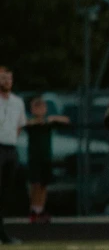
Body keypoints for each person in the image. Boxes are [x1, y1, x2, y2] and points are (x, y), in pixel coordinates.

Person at [24, 96, 70, 224]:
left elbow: (66, 120)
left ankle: (40, 209)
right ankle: (33, 209)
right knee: (35, 183)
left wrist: (52, 118)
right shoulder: (31, 124)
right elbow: (23, 124)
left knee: (44, 184)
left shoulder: (48, 123)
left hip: (46, 157)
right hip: (34, 157)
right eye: (37, 107)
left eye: (42, 107)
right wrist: (36, 121)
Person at [0, 67, 26, 245]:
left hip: (10, 149)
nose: (7, 81)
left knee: (5, 193)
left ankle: (2, 233)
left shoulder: (18, 102)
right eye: (3, 78)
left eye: (9, 78)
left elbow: (19, 125)